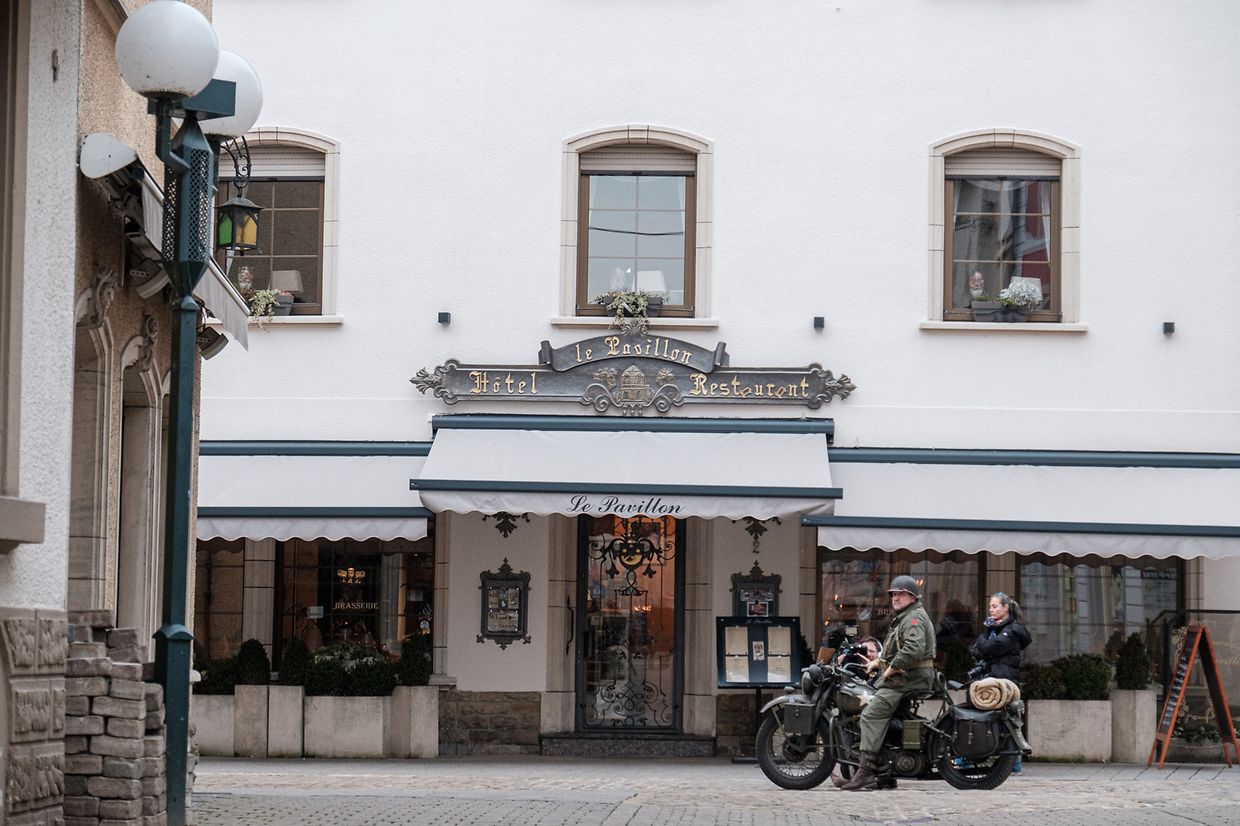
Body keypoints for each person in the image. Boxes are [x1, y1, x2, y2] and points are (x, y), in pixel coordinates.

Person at [838, 576, 937, 792]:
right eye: (893, 594)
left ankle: (865, 772)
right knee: (883, 711)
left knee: (871, 714)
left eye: (900, 593)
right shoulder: (906, 617)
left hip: (908, 678)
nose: (895, 597)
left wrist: (891, 668)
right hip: (909, 675)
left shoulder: (913, 618)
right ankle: (885, 775)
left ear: (912, 596)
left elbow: (913, 649)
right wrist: (879, 663)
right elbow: (898, 651)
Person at [969, 591, 1031, 772]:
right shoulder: (996, 629)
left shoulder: (1012, 631)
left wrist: (983, 639)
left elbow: (989, 647)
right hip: (992, 677)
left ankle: (1014, 764)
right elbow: (977, 650)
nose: (991, 609)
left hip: (1004, 680)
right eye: (990, 606)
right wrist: (985, 643)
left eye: (995, 606)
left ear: (1006, 608)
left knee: (1008, 719)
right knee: (997, 719)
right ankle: (1000, 761)